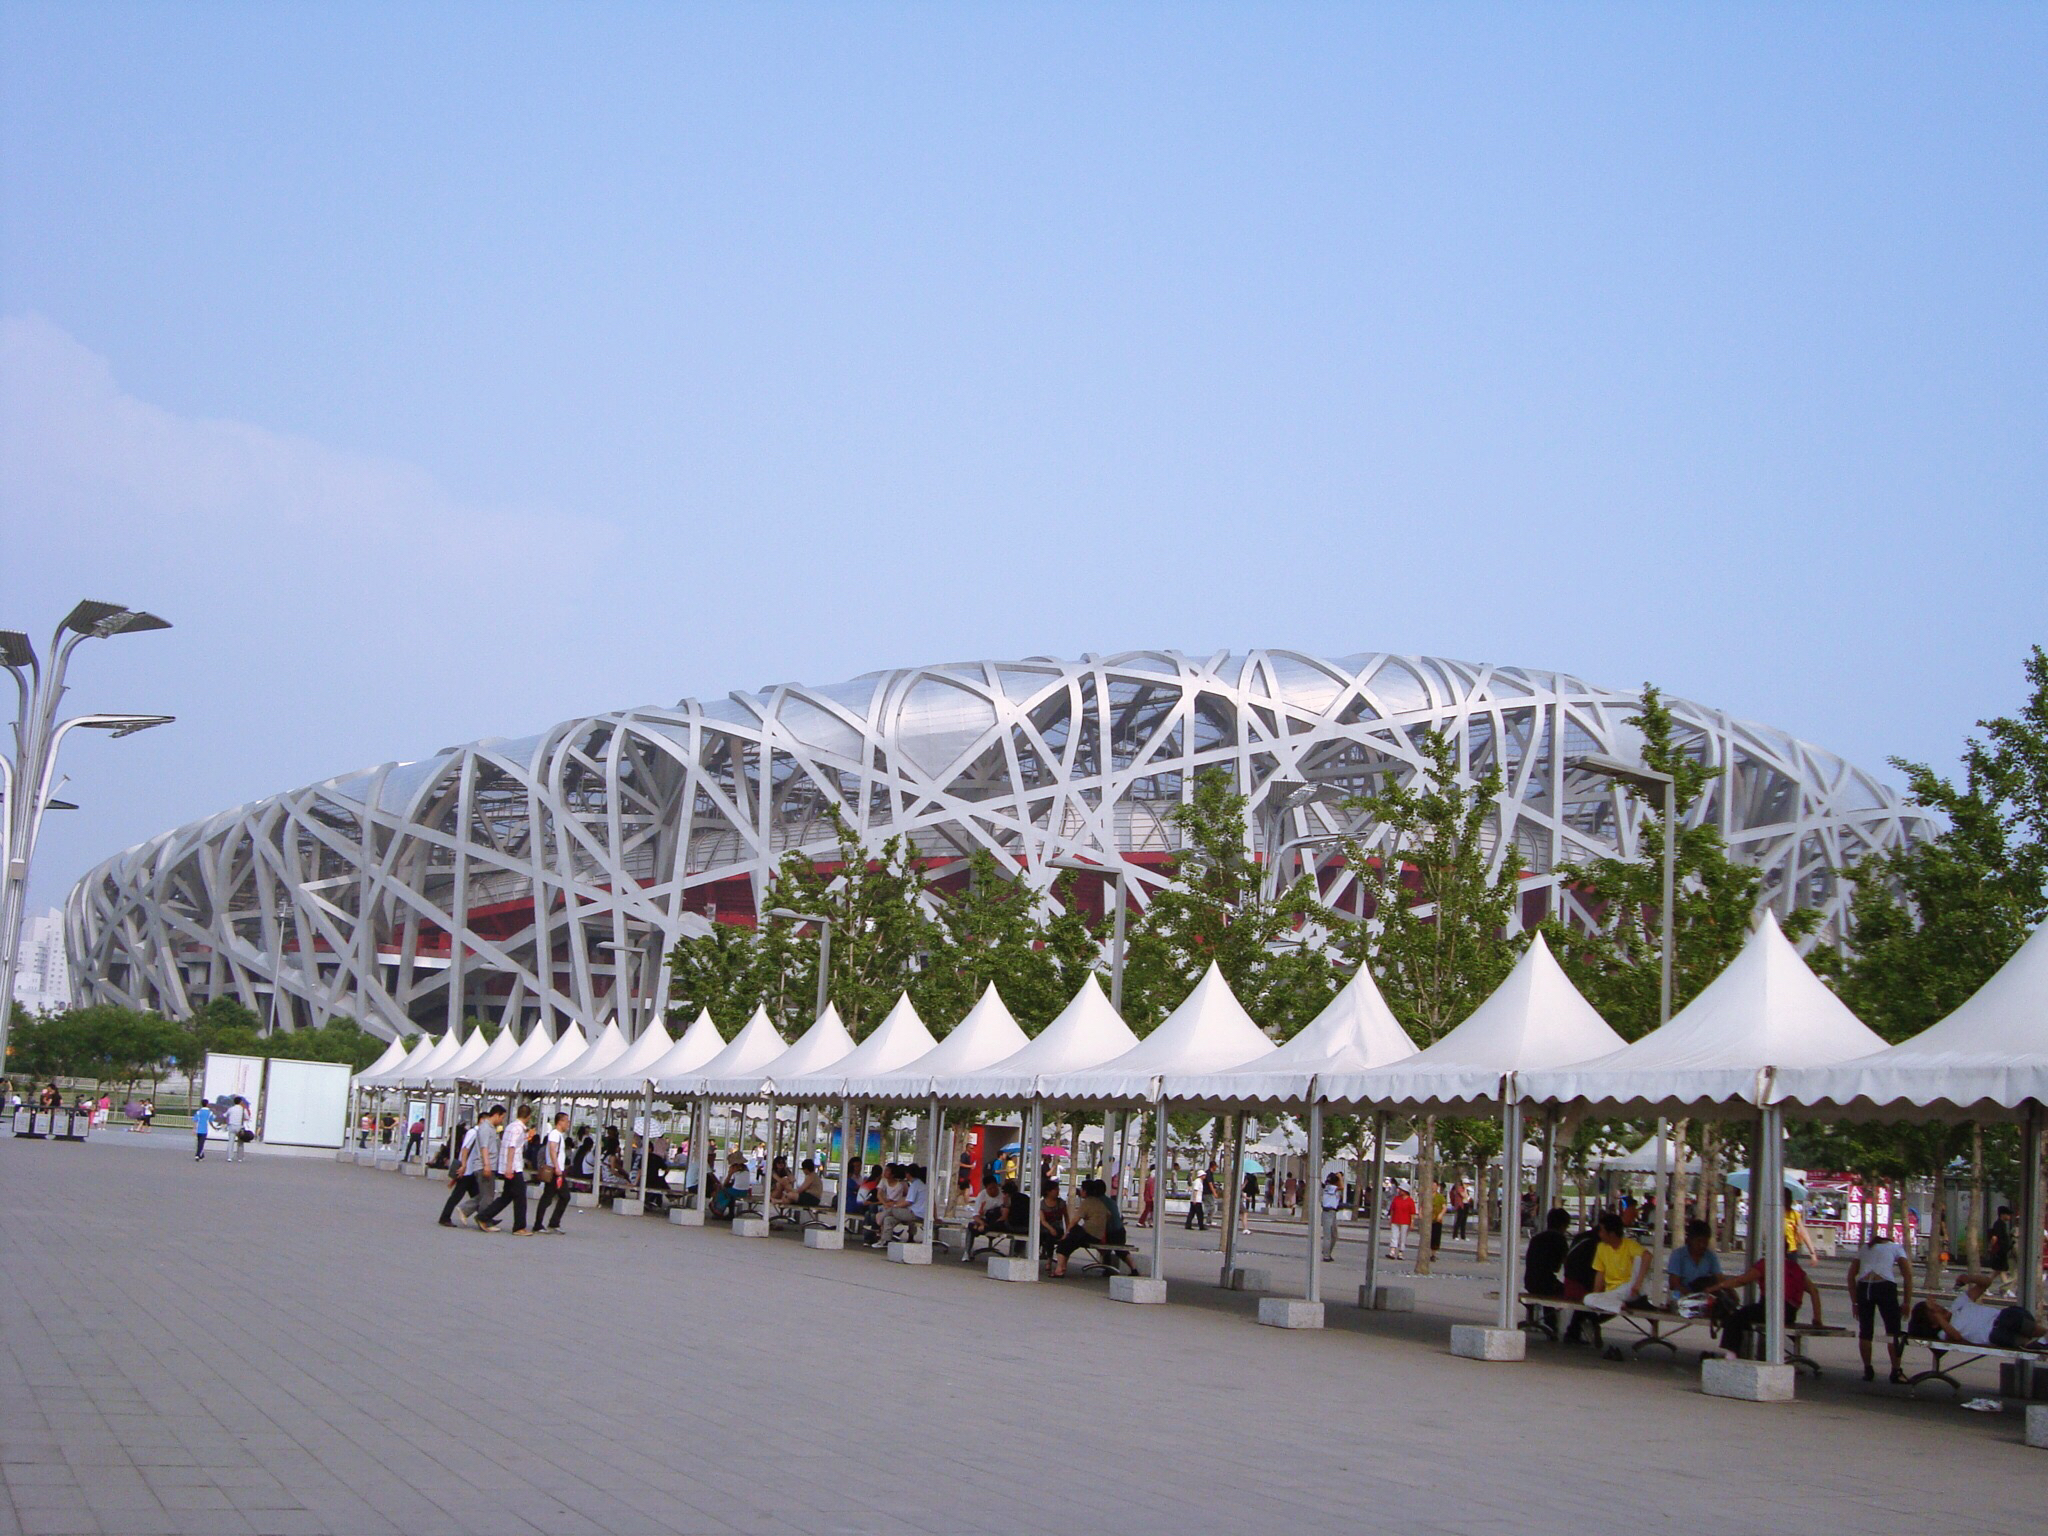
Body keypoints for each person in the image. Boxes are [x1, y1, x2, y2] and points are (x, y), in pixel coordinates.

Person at [1704, 1246, 1822, 1360]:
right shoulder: (1795, 1268)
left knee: (1736, 1317)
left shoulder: (1766, 1264)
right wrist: (1817, 1318)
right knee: (1748, 1316)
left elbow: (1742, 1280)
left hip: (1769, 1308)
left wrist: (1718, 1286)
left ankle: (1731, 1354)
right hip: (1789, 1314)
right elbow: (1814, 1291)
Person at [1908, 1273, 2045, 1351]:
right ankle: (2039, 1342)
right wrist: (1939, 1318)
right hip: (1994, 1334)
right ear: (1934, 1324)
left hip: (2002, 1317)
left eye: (1936, 1306)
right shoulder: (1944, 1332)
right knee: (2024, 1340)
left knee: (2028, 1327)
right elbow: (1956, 1337)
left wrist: (1970, 1278)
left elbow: (1986, 1283)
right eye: (1933, 1311)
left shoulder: (1958, 1305)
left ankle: (2043, 1339)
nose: (1939, 1308)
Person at [1846, 1227, 1913, 1382]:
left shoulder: (1865, 1248)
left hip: (1864, 1287)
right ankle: (1895, 1370)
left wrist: (1854, 1301)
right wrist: (1907, 1302)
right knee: (1893, 1331)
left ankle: (1868, 1369)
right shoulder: (1895, 1247)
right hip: (1885, 1286)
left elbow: (1850, 1275)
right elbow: (1907, 1275)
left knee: (1865, 1330)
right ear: (1889, 1240)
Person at [1051, 1179, 1131, 1276]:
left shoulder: (1087, 1203)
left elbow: (1075, 1220)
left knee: (1063, 1245)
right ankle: (1061, 1268)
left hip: (1089, 1233)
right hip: (1098, 1235)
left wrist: (1066, 1232)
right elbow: (1108, 1215)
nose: (1080, 1191)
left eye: (1081, 1189)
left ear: (1085, 1191)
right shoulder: (1101, 1202)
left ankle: (1059, 1270)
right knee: (1070, 1243)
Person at [1583, 1212, 1650, 1316]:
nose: (1599, 1234)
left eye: (1602, 1231)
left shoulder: (1629, 1245)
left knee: (1639, 1258)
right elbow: (1600, 1273)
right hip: (1613, 1293)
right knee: (1588, 1299)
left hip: (1630, 1289)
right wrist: (1596, 1293)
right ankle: (1619, 1306)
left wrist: (1638, 1284)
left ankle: (1617, 1305)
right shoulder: (1601, 1247)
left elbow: (1647, 1256)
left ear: (1612, 1234)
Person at [480, 1103, 533, 1233]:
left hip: (506, 1165)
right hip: (514, 1166)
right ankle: (519, 1226)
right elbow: (512, 1147)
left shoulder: (511, 1126)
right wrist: (510, 1167)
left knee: (507, 1196)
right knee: (520, 1197)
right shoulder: (518, 1129)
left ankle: (483, 1216)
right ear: (528, 1116)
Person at [1523, 1208, 1573, 1336]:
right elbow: (1566, 1264)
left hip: (1529, 1281)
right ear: (1563, 1225)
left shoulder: (1537, 1238)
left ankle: (1549, 1324)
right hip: (1547, 1283)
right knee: (1570, 1294)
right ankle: (1560, 1327)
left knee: (1548, 1287)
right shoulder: (1560, 1239)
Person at [533, 1111, 572, 1234]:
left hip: (558, 1170)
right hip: (555, 1170)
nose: (568, 1124)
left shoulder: (559, 1135)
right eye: (566, 1121)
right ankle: (543, 1223)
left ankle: (550, 1222)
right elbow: (552, 1150)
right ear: (560, 1122)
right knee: (556, 1197)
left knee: (552, 1197)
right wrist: (556, 1167)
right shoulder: (555, 1134)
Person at [874, 1163, 928, 1246]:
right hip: (917, 1213)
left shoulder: (915, 1185)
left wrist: (895, 1206)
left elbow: (908, 1202)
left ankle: (878, 1221)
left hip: (914, 1213)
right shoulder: (921, 1184)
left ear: (909, 1174)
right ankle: (886, 1241)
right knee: (889, 1219)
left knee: (891, 1210)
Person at [1666, 1218, 1723, 1296]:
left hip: (1705, 1298)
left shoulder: (1710, 1256)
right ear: (1689, 1239)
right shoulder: (1678, 1255)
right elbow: (1673, 1283)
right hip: (1682, 1298)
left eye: (1705, 1242)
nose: (1702, 1245)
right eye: (1698, 1241)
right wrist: (1691, 1295)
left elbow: (1720, 1279)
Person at [1985, 1206, 2014, 1280]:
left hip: (2002, 1251)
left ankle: (1984, 1285)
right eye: (2007, 1214)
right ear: (2002, 1215)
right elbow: (1994, 1237)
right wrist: (1990, 1247)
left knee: (1998, 1271)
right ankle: (2006, 1289)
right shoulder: (1999, 1224)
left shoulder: (2001, 1224)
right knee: (2000, 1270)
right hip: (2000, 1251)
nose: (2009, 1216)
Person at [1320, 1172, 1344, 1261]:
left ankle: (1327, 1251)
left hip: (1332, 1212)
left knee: (1334, 1235)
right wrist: (1340, 1177)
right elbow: (1342, 1187)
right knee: (1328, 1236)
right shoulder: (1330, 1187)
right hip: (1328, 1212)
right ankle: (1326, 1255)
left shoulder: (1331, 1187)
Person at [1387, 1185, 1416, 1259]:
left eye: (1401, 1190)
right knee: (1394, 1236)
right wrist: (1391, 1218)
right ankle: (1392, 1251)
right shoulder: (1396, 1199)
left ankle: (1401, 1252)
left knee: (1403, 1237)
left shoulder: (1410, 1201)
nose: (1400, 1191)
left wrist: (1412, 1222)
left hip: (1405, 1221)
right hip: (1395, 1219)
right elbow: (1392, 1209)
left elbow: (1412, 1213)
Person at [224, 1095, 252, 1162]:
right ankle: (240, 1157)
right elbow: (247, 1117)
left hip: (231, 1126)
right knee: (240, 1142)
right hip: (239, 1127)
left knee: (231, 1142)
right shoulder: (243, 1109)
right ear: (240, 1102)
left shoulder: (231, 1108)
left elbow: (225, 1115)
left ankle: (229, 1157)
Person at [1183, 1166, 1207, 1231]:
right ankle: (1201, 1226)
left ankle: (1188, 1224)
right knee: (1200, 1214)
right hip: (1197, 1201)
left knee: (1192, 1213)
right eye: (1204, 1175)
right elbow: (1195, 1191)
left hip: (1196, 1200)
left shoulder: (1199, 1181)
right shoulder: (1198, 1181)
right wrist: (1194, 1199)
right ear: (1201, 1175)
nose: (1205, 1176)